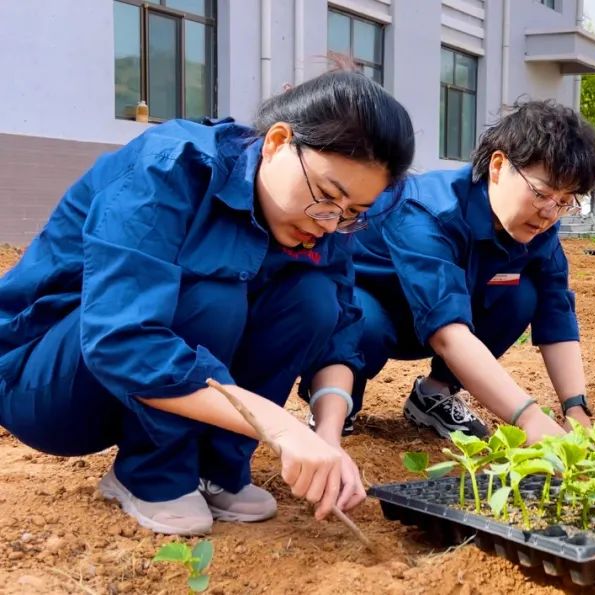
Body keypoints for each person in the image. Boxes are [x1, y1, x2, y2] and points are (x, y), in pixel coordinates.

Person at [0, 70, 415, 535]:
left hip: (132, 374)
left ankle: (216, 470)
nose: (329, 220)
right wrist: (278, 426)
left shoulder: (325, 221)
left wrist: (328, 437)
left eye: (352, 213)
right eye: (327, 196)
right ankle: (152, 475)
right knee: (212, 295)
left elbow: (338, 332)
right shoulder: (170, 169)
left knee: (313, 299)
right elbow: (120, 339)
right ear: (279, 141)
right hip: (49, 378)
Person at [306, 100, 595, 443]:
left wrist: (575, 408)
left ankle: (434, 393)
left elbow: (556, 310)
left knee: (522, 295)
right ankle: (337, 406)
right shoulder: (427, 210)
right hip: (379, 310)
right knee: (359, 317)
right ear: (498, 165)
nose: (550, 212)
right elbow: (446, 332)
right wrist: (529, 417)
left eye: (565, 201)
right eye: (542, 193)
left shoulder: (538, 228)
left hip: (447, 317)